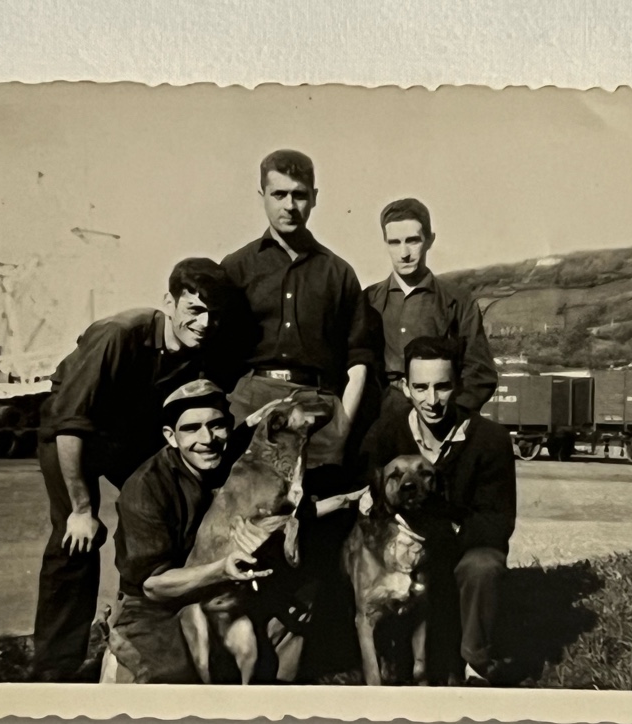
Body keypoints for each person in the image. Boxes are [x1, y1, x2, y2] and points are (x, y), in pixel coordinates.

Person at [30, 258, 243, 682]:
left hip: (126, 435)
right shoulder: (119, 334)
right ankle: (53, 669)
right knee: (77, 542)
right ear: (169, 302)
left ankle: (140, 617)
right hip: (74, 437)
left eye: (214, 314)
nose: (204, 323)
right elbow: (69, 425)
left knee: (166, 504)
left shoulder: (201, 347)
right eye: (195, 310)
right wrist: (81, 510)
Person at [109, 381, 365, 684]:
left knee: (292, 628)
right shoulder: (146, 488)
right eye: (191, 429)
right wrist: (222, 568)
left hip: (226, 592)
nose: (207, 439)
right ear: (170, 436)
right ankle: (115, 664)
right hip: (158, 606)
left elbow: (276, 510)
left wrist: (343, 501)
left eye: (216, 426)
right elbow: (153, 586)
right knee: (177, 682)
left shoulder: (233, 459)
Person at [358, 335, 517, 686]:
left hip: (460, 547)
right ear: (405, 387)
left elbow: (496, 523)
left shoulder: (490, 439)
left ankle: (476, 665)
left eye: (442, 387)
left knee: (483, 566)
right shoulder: (386, 433)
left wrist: (436, 531)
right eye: (420, 387)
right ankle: (389, 653)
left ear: (458, 384)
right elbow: (370, 497)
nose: (432, 401)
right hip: (401, 554)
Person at [221, 148, 375, 492]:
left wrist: (342, 425)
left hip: (317, 407)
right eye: (279, 194)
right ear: (262, 195)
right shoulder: (236, 268)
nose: (289, 205)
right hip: (251, 403)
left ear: (314, 197)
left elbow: (358, 360)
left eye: (299, 195)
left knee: (315, 507)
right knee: (245, 508)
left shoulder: (339, 273)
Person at [362, 198, 498, 418]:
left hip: (439, 419)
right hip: (380, 421)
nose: (404, 253)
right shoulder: (367, 301)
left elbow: (481, 374)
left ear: (430, 240)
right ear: (385, 243)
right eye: (394, 242)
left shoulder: (458, 301)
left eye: (413, 240)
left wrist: (448, 416)